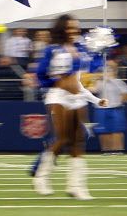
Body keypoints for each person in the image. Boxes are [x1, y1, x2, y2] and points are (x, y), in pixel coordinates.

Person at [33, 14, 106, 200]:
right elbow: (41, 73)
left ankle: (77, 186)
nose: (74, 30)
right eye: (70, 27)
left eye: (76, 27)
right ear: (62, 29)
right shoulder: (52, 49)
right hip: (59, 96)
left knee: (79, 140)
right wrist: (56, 82)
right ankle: (42, 176)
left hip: (78, 97)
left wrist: (100, 52)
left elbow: (90, 71)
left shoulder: (82, 48)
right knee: (63, 138)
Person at [94, 60, 127, 155]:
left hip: (116, 109)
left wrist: (120, 102)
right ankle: (106, 151)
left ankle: (118, 150)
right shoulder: (98, 82)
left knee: (117, 131)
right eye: (106, 69)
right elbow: (92, 90)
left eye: (110, 69)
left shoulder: (118, 81)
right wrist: (96, 78)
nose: (107, 71)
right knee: (103, 131)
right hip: (101, 109)